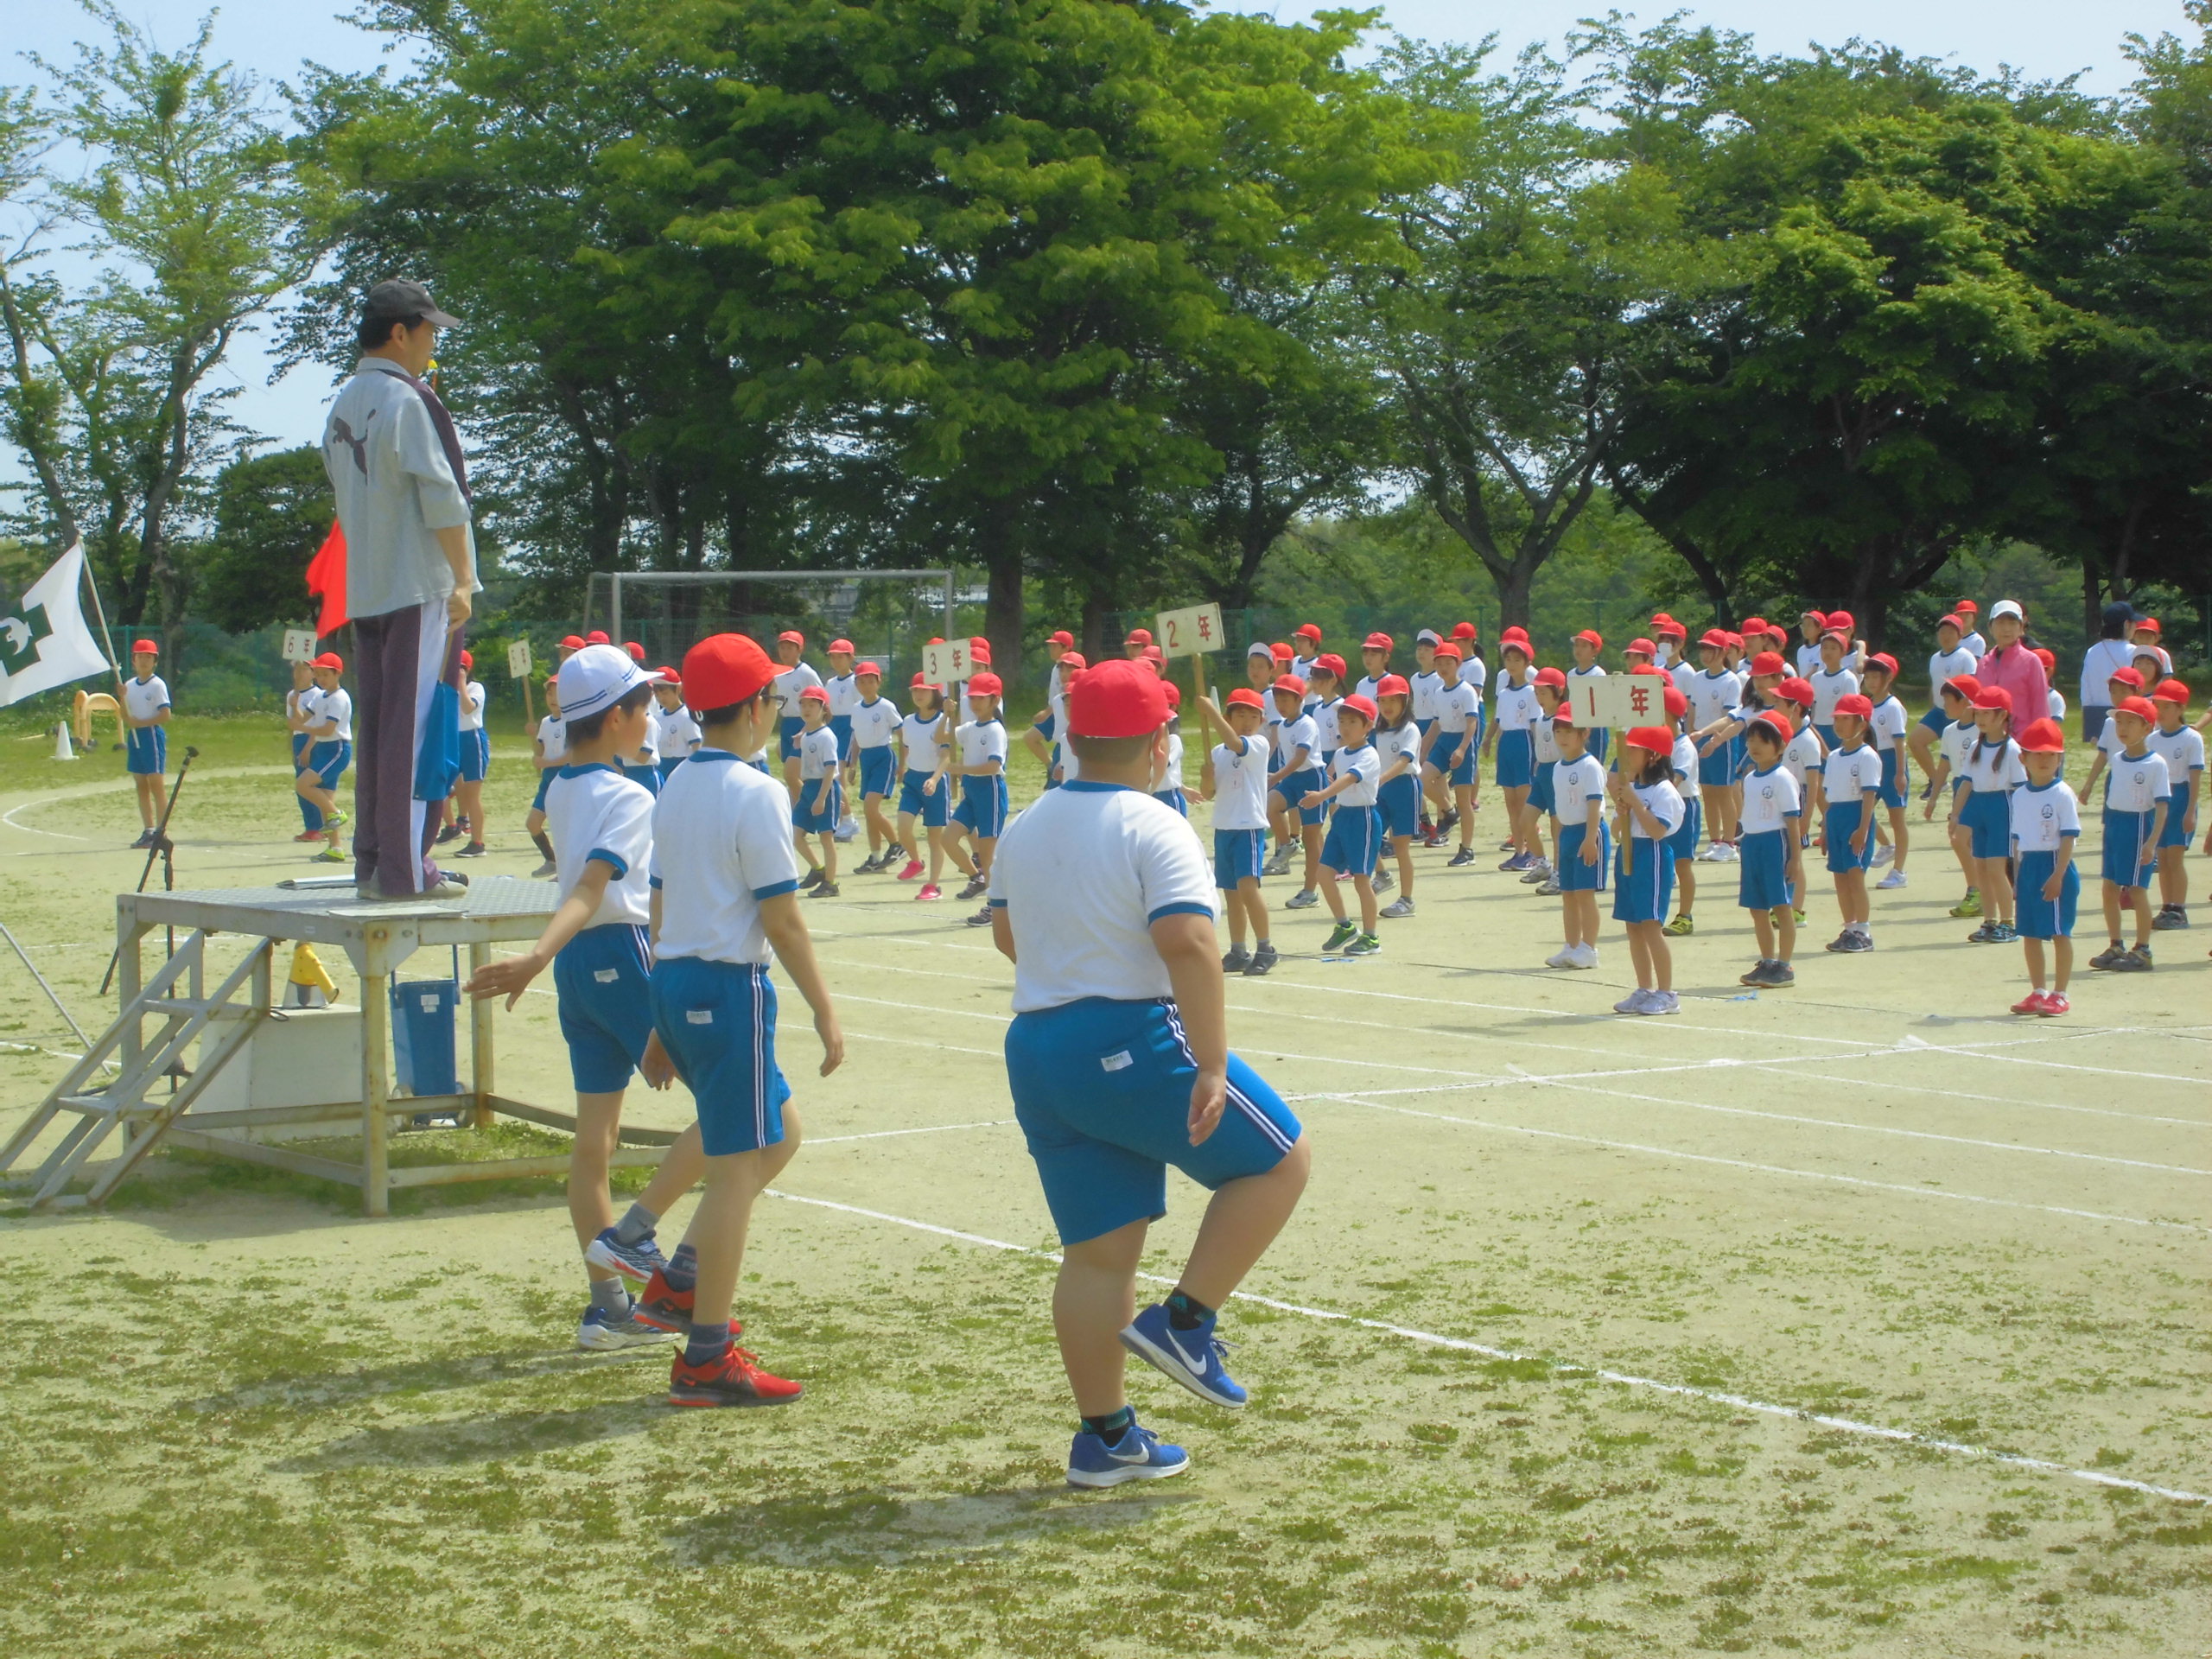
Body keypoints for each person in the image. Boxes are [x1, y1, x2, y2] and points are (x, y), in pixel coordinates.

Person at [988, 658, 1310, 1488]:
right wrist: (1210, 1061)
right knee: (1280, 1160)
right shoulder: (1155, 823)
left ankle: (1106, 1437)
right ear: (1161, 742)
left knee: (1098, 1255)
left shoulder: (1025, 824)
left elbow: (1006, 934)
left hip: (1038, 1044)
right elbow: (1190, 943)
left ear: (1071, 735)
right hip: (1130, 1034)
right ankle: (1187, 1322)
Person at [461, 645, 709, 1351]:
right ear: (617, 717)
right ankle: (636, 1239)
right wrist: (536, 954)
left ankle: (609, 1308)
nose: (652, 718)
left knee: (593, 1141)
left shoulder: (562, 786)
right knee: (736, 1107)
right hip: (619, 954)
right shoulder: (631, 796)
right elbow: (593, 889)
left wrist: (550, 956)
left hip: (578, 967)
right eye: (644, 707)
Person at [647, 632, 842, 1408]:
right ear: (759, 707)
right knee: (736, 1170)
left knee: (780, 1132)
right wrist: (825, 1008)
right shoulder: (758, 791)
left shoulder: (675, 781)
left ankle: (682, 1281)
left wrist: (660, 1014)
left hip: (676, 975)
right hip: (726, 986)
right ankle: (706, 1354)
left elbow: (662, 899)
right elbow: (782, 919)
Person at [321, 278, 477, 901]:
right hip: (418, 584)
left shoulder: (343, 401)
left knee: (381, 729)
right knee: (413, 730)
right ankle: (406, 870)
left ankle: (373, 860)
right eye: (429, 330)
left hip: (367, 585)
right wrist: (462, 578)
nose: (433, 342)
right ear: (399, 333)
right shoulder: (407, 399)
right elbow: (443, 495)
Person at [1194, 687, 1278, 976]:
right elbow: (1209, 793)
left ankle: (1265, 948)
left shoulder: (1258, 744)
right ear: (1229, 717)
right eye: (1240, 715)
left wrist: (1210, 712)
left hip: (1248, 827)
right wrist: (1206, 778)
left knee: (1248, 888)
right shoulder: (1218, 752)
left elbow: (1235, 742)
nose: (1247, 721)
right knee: (1231, 892)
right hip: (1224, 826)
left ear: (1261, 721)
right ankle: (1238, 950)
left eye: (1253, 716)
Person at [2088, 696, 2170, 974]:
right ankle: (2116, 944)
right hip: (2115, 825)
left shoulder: (2156, 764)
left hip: (2138, 826)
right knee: (2109, 887)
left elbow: (2162, 805)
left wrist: (2152, 842)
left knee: (2136, 890)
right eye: (2119, 722)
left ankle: (2143, 949)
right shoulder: (2117, 759)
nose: (2122, 728)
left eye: (2130, 722)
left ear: (2147, 728)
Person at [1609, 726, 1687, 1014]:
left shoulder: (1663, 791)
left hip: (1651, 857)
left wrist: (1636, 804)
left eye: (1633, 750)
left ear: (1653, 756)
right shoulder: (1631, 787)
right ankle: (1644, 988)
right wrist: (1622, 810)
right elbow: (1617, 831)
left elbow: (1657, 831)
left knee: (1651, 925)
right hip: (1628, 853)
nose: (1626, 755)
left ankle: (1667, 993)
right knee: (1633, 926)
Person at [2008, 718, 2081, 1016]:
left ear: (2060, 759)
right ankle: (2038, 991)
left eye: (2051, 754)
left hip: (2054, 864)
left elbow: (2068, 837)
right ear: (2023, 758)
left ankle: (2060, 993)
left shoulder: (2062, 793)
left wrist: (2058, 875)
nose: (2044, 760)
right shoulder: (2019, 795)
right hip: (2029, 866)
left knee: (2059, 932)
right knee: (2030, 933)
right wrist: (2016, 879)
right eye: (2037, 754)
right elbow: (2017, 840)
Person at [1306, 693, 1383, 957]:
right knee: (1323, 873)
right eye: (1342, 721)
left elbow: (1349, 778)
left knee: (1362, 880)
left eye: (1352, 722)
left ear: (1368, 726)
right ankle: (1345, 926)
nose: (1345, 727)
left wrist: (1322, 796)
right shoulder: (1340, 753)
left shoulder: (1369, 754)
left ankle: (1371, 937)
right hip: (1342, 817)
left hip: (1363, 818)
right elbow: (1329, 775)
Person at [1952, 685, 2025, 944]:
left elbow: (2021, 788)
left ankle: (2008, 922)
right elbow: (1966, 782)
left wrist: (2022, 822)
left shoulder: (2013, 749)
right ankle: (1990, 921)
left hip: (2001, 807)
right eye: (1978, 713)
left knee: (1996, 868)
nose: (1980, 718)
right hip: (1978, 805)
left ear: (2003, 715)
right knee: (1980, 867)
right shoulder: (1976, 746)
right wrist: (1956, 814)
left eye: (1986, 713)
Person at [1735, 713, 1803, 987]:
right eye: (1751, 739)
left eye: (1763, 741)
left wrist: (1795, 859)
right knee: (1757, 908)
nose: (1754, 746)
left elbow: (1792, 820)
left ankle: (1784, 966)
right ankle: (1766, 961)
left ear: (1780, 746)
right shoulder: (1750, 778)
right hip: (1752, 843)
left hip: (1775, 843)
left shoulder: (1783, 777)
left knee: (1781, 906)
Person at [1817, 693, 1882, 953]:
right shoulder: (1834, 756)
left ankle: (1863, 932)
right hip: (1836, 817)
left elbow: (1869, 795)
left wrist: (1863, 830)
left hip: (1856, 817)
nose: (1839, 724)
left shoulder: (1867, 756)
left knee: (1855, 875)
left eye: (1846, 719)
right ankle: (1849, 928)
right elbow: (1829, 795)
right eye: (1838, 719)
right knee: (1840, 877)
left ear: (1862, 724)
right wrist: (1825, 827)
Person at [1545, 712, 1607, 969]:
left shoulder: (1590, 766)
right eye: (1558, 732)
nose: (1562, 738)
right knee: (1568, 894)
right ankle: (1571, 946)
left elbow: (1594, 803)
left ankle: (1589, 949)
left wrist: (1591, 839)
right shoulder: (1558, 767)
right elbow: (1561, 807)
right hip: (1568, 833)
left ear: (1584, 733)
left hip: (1588, 832)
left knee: (1584, 894)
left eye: (1569, 732)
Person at [948, 670, 1010, 920]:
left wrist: (961, 769)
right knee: (948, 838)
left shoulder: (995, 730)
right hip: (971, 791)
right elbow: (942, 737)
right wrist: (946, 715)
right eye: (972, 698)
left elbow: (994, 766)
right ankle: (977, 877)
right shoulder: (970, 728)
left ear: (995, 700)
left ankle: (995, 906)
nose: (975, 703)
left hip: (989, 790)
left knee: (988, 853)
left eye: (981, 698)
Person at [2146, 680, 2202, 930]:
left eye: (2166, 706)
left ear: (2180, 708)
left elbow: (2195, 776)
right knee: (2162, 857)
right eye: (2157, 706)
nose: (2160, 711)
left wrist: (2190, 810)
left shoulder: (2191, 738)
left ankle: (2179, 909)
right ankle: (2166, 906)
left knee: (2175, 856)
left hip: (2181, 797)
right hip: (2160, 800)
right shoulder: (2153, 739)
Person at [894, 672, 953, 899]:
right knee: (903, 826)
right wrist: (902, 768)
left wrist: (935, 779)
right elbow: (907, 747)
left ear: (935, 693)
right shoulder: (908, 721)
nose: (918, 694)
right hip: (912, 780)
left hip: (935, 783)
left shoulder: (942, 721)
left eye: (924, 690)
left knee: (934, 838)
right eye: (915, 690)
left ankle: (933, 886)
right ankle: (916, 862)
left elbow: (946, 756)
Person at [1263, 676, 1323, 897]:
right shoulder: (1282, 725)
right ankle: (1288, 845)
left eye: (1285, 700)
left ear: (1299, 700)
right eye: (1277, 700)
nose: (1280, 705)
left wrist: (1276, 776)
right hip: (1291, 778)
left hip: (1311, 779)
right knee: (1270, 806)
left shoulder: (1307, 723)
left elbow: (1300, 758)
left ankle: (1310, 891)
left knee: (1311, 838)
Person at [1488, 631, 1540, 871]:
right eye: (1508, 660)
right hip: (1506, 744)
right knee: (1511, 803)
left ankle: (1533, 852)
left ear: (1527, 663)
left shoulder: (1531, 692)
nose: (1512, 664)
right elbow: (1499, 721)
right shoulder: (1504, 694)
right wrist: (1489, 741)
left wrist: (1538, 753)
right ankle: (1519, 851)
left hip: (1524, 743)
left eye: (1517, 660)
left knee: (1525, 801)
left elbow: (1535, 723)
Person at [1371, 677, 1422, 917]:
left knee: (1400, 845)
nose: (1387, 706)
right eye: (1383, 701)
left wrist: (1380, 779)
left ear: (1405, 701)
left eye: (1393, 700)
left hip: (1404, 787)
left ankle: (1407, 900)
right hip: (1382, 789)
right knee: (1368, 831)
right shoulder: (1378, 731)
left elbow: (1404, 761)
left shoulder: (1410, 729)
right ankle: (1383, 875)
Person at [296, 653, 353, 866]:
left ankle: (338, 814)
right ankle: (335, 849)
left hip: (336, 749)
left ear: (337, 674)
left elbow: (328, 729)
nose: (321, 679)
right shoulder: (320, 697)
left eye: (325, 675)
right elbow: (303, 718)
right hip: (323, 748)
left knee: (303, 785)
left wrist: (303, 728)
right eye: (318, 674)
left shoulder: (339, 698)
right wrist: (294, 705)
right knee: (325, 800)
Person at [1425, 644, 1480, 861]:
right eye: (1439, 663)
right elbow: (1436, 723)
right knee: (1422, 779)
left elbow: (1472, 722)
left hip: (1461, 741)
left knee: (1464, 799)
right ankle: (1449, 811)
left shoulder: (1466, 690)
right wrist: (1422, 748)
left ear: (1458, 664)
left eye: (1448, 662)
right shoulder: (1439, 692)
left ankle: (1466, 849)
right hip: (1444, 740)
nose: (1443, 667)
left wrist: (1462, 748)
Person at [1910, 613, 1979, 786]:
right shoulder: (1935, 658)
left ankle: (1969, 783)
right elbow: (1934, 686)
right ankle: (1937, 782)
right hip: (1939, 711)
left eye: (1950, 632)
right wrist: (1931, 707)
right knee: (1915, 741)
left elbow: (1972, 687)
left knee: (1960, 754)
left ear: (1960, 635)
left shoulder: (1966, 657)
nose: (1946, 636)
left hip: (1961, 712)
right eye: (1942, 632)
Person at [1859, 653, 1909, 889]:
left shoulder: (1893, 706)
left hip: (1891, 763)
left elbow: (1899, 741)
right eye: (1867, 677)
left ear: (1888, 678)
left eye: (1875, 677)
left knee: (1897, 818)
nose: (1870, 681)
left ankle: (1899, 871)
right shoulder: (1867, 705)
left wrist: (1900, 773)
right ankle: (1886, 846)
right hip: (1874, 761)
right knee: (1863, 809)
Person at [791, 686, 842, 898]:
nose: (806, 708)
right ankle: (818, 869)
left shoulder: (826, 736)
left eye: (812, 705)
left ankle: (831, 883)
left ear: (823, 709)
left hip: (825, 788)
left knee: (826, 837)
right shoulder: (806, 736)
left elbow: (831, 768)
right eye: (803, 704)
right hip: (809, 787)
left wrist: (822, 798)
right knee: (795, 835)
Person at [121, 639, 172, 847]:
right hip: (135, 736)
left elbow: (165, 715)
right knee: (141, 784)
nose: (143, 661)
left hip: (150, 734)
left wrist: (141, 723)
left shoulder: (157, 685)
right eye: (140, 656)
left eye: (148, 657)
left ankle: (161, 831)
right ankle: (148, 830)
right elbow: (124, 715)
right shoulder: (129, 686)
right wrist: (121, 698)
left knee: (155, 783)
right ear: (133, 660)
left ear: (154, 661)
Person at [1974, 600, 2050, 727]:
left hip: (2022, 736)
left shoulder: (2031, 661)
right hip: (1989, 736)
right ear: (1990, 627)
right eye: (2000, 623)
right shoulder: (1983, 664)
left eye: (2012, 623)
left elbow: (2040, 707)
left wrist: (2039, 735)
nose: (2006, 629)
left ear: (2021, 628)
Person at [770, 631, 822, 801]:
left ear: (799, 650)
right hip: (787, 724)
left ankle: (811, 805)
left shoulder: (807, 673)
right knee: (794, 774)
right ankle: (798, 810)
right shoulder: (777, 675)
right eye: (782, 648)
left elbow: (822, 701)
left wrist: (812, 728)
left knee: (792, 774)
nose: (785, 652)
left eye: (789, 648)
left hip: (803, 725)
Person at [449, 649, 488, 856]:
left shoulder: (476, 688)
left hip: (472, 739)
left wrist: (462, 684)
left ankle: (478, 843)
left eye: (460, 668)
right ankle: (454, 825)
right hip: (453, 738)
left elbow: (467, 708)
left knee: (473, 794)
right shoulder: (447, 689)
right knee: (445, 785)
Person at [822, 639, 861, 842]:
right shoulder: (830, 683)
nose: (836, 661)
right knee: (831, 774)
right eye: (833, 657)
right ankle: (841, 819)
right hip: (833, 726)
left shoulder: (856, 682)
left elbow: (861, 708)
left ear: (850, 658)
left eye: (840, 657)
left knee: (838, 774)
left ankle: (848, 820)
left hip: (849, 727)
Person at [526, 679, 564, 878]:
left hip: (564, 777)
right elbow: (541, 751)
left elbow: (574, 754)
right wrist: (533, 737)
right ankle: (552, 861)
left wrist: (547, 762)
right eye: (550, 694)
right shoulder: (546, 722)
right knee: (533, 823)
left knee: (562, 827)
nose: (553, 698)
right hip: (548, 779)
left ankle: (566, 870)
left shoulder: (571, 722)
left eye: (558, 694)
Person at [285, 659, 325, 843]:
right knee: (301, 785)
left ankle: (317, 827)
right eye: (297, 669)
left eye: (304, 669)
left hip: (312, 740)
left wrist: (307, 749)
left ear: (313, 673)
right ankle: (311, 826)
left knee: (310, 785)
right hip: (298, 739)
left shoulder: (318, 695)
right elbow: (293, 723)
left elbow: (317, 725)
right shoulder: (291, 695)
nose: (299, 673)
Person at [1566, 629, 1608, 765]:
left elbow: (1599, 703)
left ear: (1595, 651)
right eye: (1576, 645)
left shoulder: (1598, 674)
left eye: (1584, 646)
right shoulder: (1571, 674)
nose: (1578, 649)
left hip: (1595, 726)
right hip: (1576, 725)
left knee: (1594, 764)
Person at [652, 667, 701, 787]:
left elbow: (696, 745)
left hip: (681, 767)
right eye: (657, 695)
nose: (661, 698)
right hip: (662, 766)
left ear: (678, 689)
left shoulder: (687, 716)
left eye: (665, 693)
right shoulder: (658, 717)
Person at [1152, 683, 1189, 815]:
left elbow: (1162, 765)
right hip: (1151, 794)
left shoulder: (1173, 740)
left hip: (1168, 796)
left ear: (1173, 707)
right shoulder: (1148, 739)